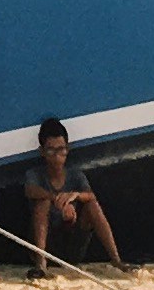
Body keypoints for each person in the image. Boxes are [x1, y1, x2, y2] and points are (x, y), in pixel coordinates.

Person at [25, 114, 119, 271]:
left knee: (92, 205)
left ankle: (116, 259)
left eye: (61, 150)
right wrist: (58, 201)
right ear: (42, 152)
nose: (56, 156)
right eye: (51, 150)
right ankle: (41, 264)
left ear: (67, 150)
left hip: (73, 243)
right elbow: (30, 191)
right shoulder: (34, 174)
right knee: (43, 203)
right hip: (47, 243)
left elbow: (91, 196)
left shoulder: (75, 175)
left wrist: (74, 196)